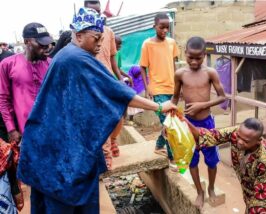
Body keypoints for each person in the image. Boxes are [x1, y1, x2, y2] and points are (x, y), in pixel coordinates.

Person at [17, 8, 176, 213]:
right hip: (58, 151)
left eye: (102, 38)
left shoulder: (68, 55)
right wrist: (159, 106)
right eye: (96, 38)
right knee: (65, 198)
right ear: (79, 35)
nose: (101, 44)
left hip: (50, 145)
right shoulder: (77, 58)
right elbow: (116, 92)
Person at [186, 117, 266, 213]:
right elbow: (210, 136)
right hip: (251, 187)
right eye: (239, 136)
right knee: (249, 204)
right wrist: (182, 119)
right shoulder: (237, 133)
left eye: (245, 141)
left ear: (258, 142)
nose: (239, 142)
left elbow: (260, 204)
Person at [171, 36, 226, 209]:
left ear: (204, 54)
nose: (194, 62)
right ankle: (200, 191)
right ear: (184, 53)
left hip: (207, 123)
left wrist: (203, 105)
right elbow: (174, 98)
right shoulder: (180, 74)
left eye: (198, 58)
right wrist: (169, 119)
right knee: (192, 160)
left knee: (211, 160)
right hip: (188, 124)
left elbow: (223, 97)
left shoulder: (210, 73)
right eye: (190, 57)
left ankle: (210, 187)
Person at [85, 0, 124, 170]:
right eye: (91, 11)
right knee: (97, 120)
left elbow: (112, 57)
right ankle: (105, 155)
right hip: (89, 83)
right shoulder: (81, 34)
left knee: (118, 115)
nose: (96, 14)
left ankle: (112, 141)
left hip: (107, 81)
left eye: (98, 11)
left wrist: (119, 78)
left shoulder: (108, 31)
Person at [0, 23, 53, 143]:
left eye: (47, 43)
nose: (46, 47)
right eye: (41, 44)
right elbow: (3, 99)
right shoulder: (8, 64)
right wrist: (11, 129)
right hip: (24, 133)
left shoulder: (51, 64)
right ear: (27, 42)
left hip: (51, 130)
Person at [140, 12, 179, 166]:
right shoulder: (147, 44)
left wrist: (178, 86)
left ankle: (158, 145)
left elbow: (174, 64)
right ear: (154, 26)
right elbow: (142, 67)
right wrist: (147, 87)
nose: (164, 31)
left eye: (167, 28)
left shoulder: (171, 43)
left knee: (169, 122)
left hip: (171, 88)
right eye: (161, 27)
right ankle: (172, 158)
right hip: (157, 89)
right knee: (170, 124)